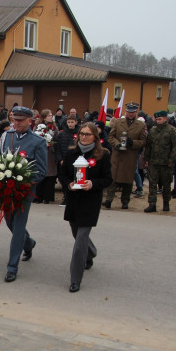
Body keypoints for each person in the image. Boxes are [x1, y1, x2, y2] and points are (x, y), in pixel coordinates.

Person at [58, 122, 112, 292]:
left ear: (95, 137)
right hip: (74, 199)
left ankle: (75, 279)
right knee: (76, 233)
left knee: (80, 240)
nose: (84, 137)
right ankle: (91, 253)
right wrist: (69, 184)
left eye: (88, 134)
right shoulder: (71, 153)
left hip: (90, 201)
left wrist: (93, 183)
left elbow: (108, 179)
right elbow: (63, 174)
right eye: (82, 133)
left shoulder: (102, 155)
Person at [0, 106, 47, 281]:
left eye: (20, 120)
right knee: (9, 221)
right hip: (5, 189)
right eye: (14, 120)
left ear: (29, 121)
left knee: (18, 227)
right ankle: (29, 243)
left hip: (24, 192)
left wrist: (22, 181)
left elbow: (41, 171)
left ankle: (12, 267)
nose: (16, 123)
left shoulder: (37, 141)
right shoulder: (6, 137)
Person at [102, 101, 147, 210]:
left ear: (136, 112)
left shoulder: (141, 125)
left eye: (133, 112)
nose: (130, 114)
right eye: (128, 112)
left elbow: (143, 141)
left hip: (130, 156)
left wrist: (133, 142)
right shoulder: (118, 122)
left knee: (128, 180)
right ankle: (109, 200)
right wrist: (116, 144)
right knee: (113, 178)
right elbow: (111, 137)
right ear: (126, 112)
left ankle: (125, 201)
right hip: (117, 155)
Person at [143, 110, 176, 213]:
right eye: (157, 119)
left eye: (160, 119)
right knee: (152, 184)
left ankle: (166, 203)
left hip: (166, 163)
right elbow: (148, 146)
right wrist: (146, 159)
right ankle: (152, 204)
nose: (158, 121)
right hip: (154, 162)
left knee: (166, 184)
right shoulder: (153, 131)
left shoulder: (172, 130)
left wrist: (171, 160)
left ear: (165, 119)